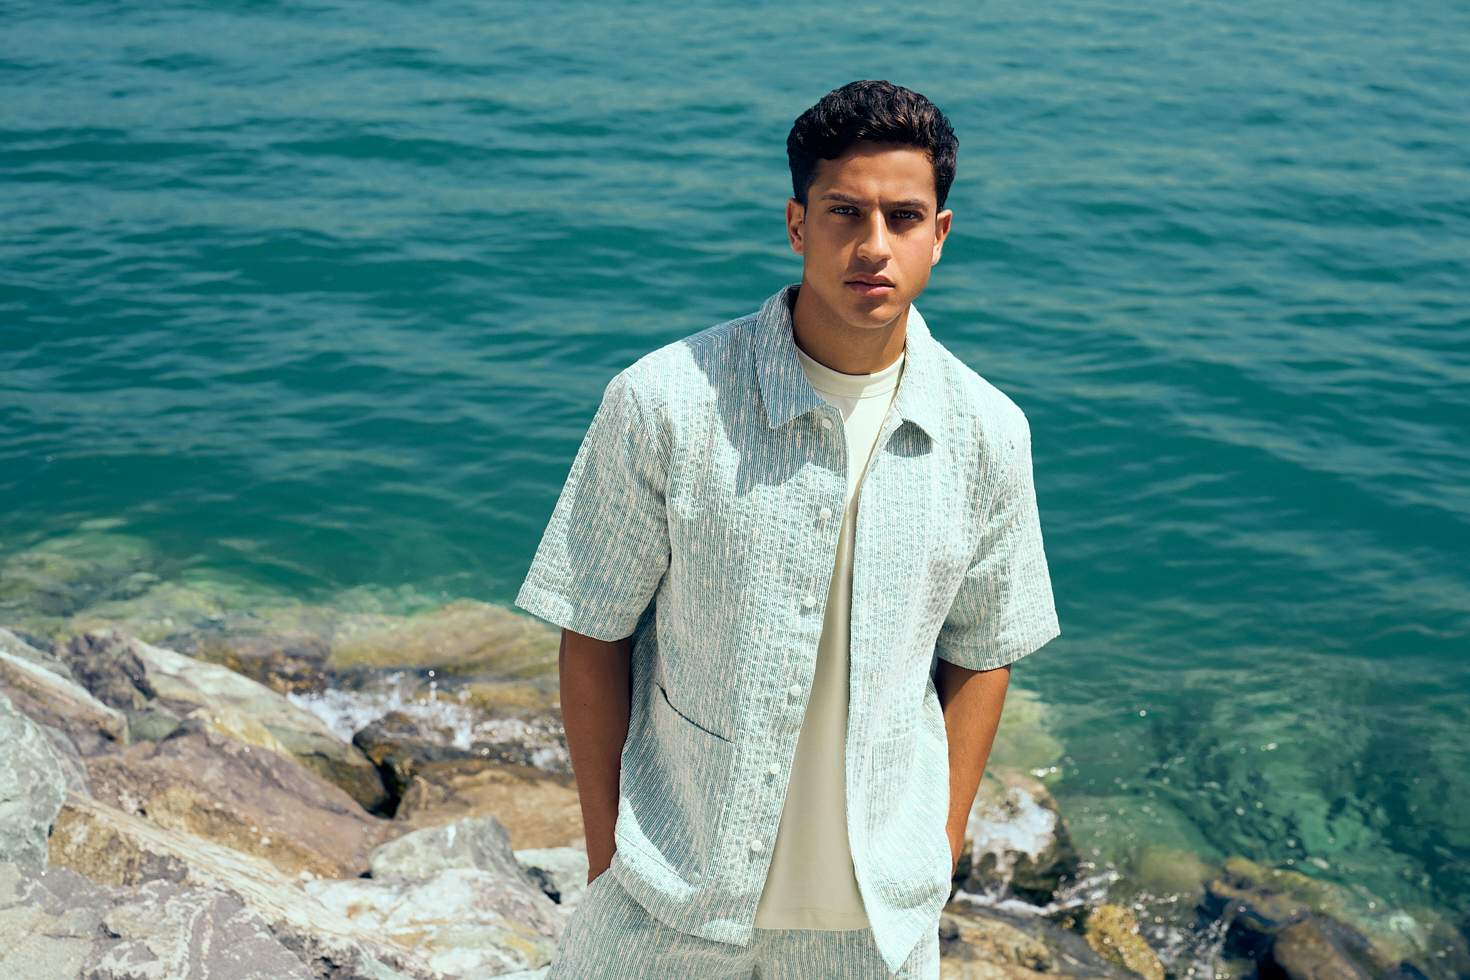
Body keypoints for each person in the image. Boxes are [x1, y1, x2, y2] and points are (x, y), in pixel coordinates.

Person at [517, 79, 1058, 980]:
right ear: (798, 225)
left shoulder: (988, 433)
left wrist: (940, 846)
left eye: (903, 217)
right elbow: (593, 630)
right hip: (669, 902)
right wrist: (608, 857)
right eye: (845, 212)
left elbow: (984, 650)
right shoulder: (664, 402)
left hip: (873, 931)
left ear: (939, 235)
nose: (873, 245)